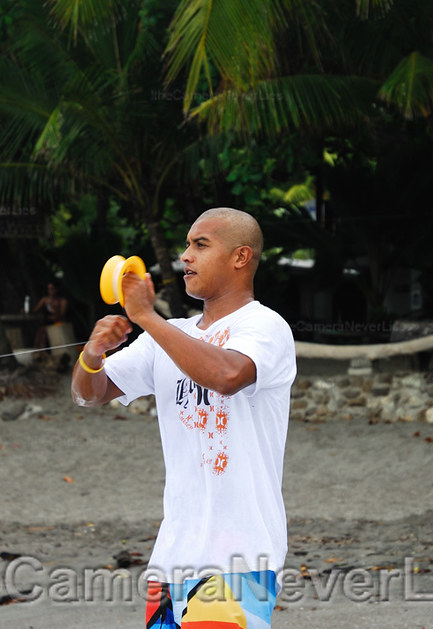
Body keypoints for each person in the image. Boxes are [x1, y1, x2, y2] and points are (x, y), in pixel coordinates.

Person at [71, 208, 295, 627]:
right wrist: (92, 354)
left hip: (240, 555)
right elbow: (89, 394)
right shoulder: (169, 333)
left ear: (241, 257)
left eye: (201, 245)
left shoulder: (266, 327)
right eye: (187, 245)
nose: (185, 256)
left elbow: (227, 375)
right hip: (171, 557)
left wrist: (146, 318)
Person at [33, 280, 68, 354]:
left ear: (56, 289)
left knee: (43, 332)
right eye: (49, 289)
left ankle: (43, 353)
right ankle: (40, 353)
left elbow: (62, 314)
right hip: (47, 322)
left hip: (58, 323)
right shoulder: (45, 300)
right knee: (40, 333)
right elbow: (35, 310)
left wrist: (54, 311)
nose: (51, 291)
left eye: (52, 289)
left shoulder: (62, 301)